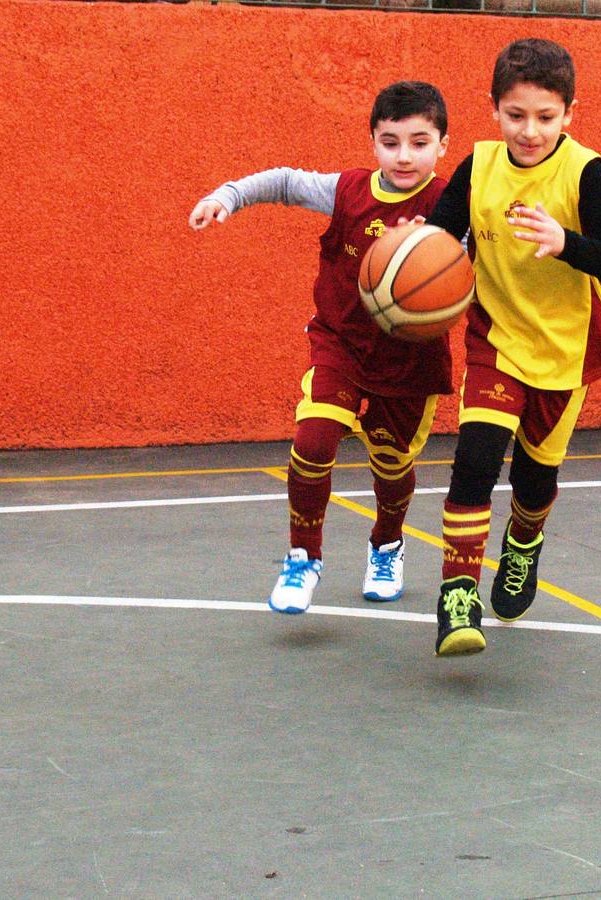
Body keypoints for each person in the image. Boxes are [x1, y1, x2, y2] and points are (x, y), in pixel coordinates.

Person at [188, 81, 452, 615]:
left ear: (443, 145)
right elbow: (285, 182)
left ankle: (386, 544)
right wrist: (227, 196)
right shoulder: (347, 191)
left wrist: (441, 245)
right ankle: (303, 557)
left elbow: (475, 258)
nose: (404, 155)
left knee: (391, 464)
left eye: (420, 142)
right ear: (372, 142)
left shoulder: (450, 204)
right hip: (341, 344)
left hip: (410, 361)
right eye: (391, 141)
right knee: (313, 440)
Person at [423, 38, 601, 656]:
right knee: (475, 460)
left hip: (566, 350)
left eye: (546, 117)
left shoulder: (583, 171)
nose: (530, 130)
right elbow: (443, 234)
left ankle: (523, 543)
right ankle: (457, 597)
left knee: (533, 478)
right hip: (496, 338)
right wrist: (417, 248)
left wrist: (565, 240)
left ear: (569, 114)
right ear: (494, 110)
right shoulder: (479, 165)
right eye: (516, 115)